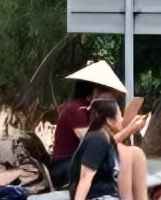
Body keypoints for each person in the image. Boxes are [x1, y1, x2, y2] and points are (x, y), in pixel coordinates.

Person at [50, 60, 127, 188]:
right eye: (105, 90)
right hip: (64, 167)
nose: (110, 95)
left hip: (81, 163)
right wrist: (130, 128)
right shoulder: (75, 109)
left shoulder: (93, 110)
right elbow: (95, 144)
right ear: (91, 90)